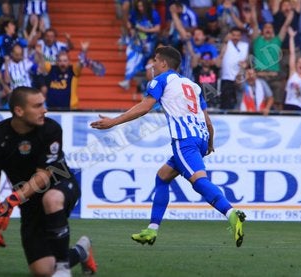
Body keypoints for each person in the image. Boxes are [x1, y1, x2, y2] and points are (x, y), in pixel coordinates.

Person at [91, 46, 246, 247]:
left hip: (184, 140)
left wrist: (113, 122)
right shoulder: (193, 85)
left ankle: (231, 213)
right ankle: (152, 230)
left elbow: (145, 107)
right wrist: (209, 143)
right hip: (200, 137)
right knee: (162, 176)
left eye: (155, 60)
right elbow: (208, 121)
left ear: (164, 63)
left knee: (199, 182)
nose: (152, 64)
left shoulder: (160, 80)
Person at [0, 86, 97, 276]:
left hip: (60, 186)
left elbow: (43, 176)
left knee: (50, 199)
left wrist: (11, 202)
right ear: (19, 111)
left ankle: (63, 268)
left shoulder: (51, 129)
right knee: (42, 271)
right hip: (28, 201)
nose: (44, 109)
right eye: (37, 106)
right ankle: (80, 251)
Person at [43, 42, 89, 110]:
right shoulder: (51, 69)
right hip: (50, 108)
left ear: (69, 62)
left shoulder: (73, 70)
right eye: (60, 61)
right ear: (56, 62)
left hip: (69, 109)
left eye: (65, 61)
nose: (62, 63)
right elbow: (40, 62)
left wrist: (84, 52)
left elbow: (81, 63)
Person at [283, 27, 301, 114]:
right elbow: (292, 53)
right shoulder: (293, 73)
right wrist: (291, 37)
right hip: (289, 106)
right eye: (299, 63)